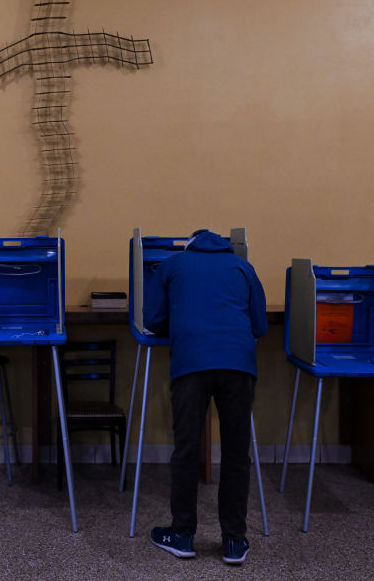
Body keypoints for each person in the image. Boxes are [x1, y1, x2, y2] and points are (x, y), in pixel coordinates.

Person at [143, 229, 268, 566]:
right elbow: (260, 325)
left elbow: (153, 320)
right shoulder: (243, 267)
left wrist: (184, 322)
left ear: (190, 244)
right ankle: (234, 542)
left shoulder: (172, 263)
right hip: (239, 367)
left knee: (186, 450)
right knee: (236, 453)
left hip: (191, 364)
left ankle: (182, 535)